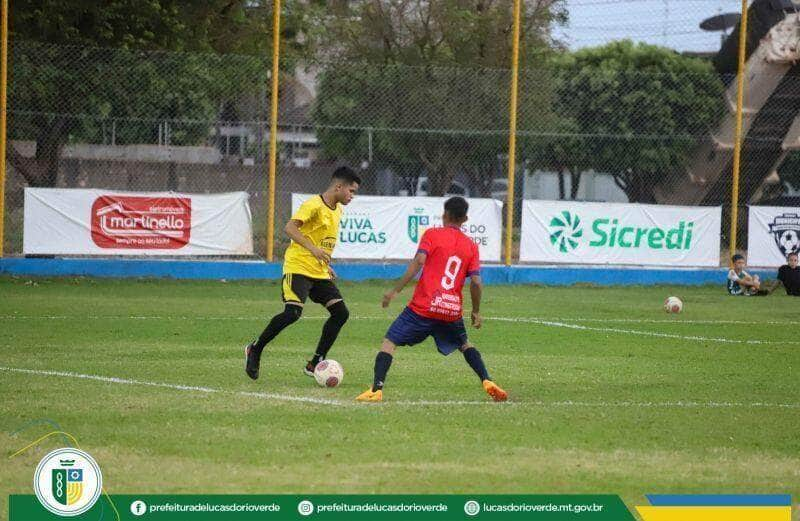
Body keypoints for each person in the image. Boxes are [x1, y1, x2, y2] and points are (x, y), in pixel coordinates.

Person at [356, 196, 507, 403]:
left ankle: (376, 389)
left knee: (390, 341)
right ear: (465, 218)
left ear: (444, 215)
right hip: (450, 310)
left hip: (423, 307)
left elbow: (419, 261)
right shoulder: (471, 246)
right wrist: (476, 310)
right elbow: (477, 282)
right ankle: (487, 380)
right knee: (464, 344)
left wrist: (395, 291)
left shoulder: (432, 234)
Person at [244, 166, 361, 381]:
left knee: (341, 313)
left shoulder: (338, 210)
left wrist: (325, 265)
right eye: (351, 191)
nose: (352, 196)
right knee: (292, 313)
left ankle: (315, 362)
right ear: (338, 186)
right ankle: (255, 349)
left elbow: (322, 242)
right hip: (297, 268)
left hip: (319, 272)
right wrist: (313, 249)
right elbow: (289, 228)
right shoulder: (313, 205)